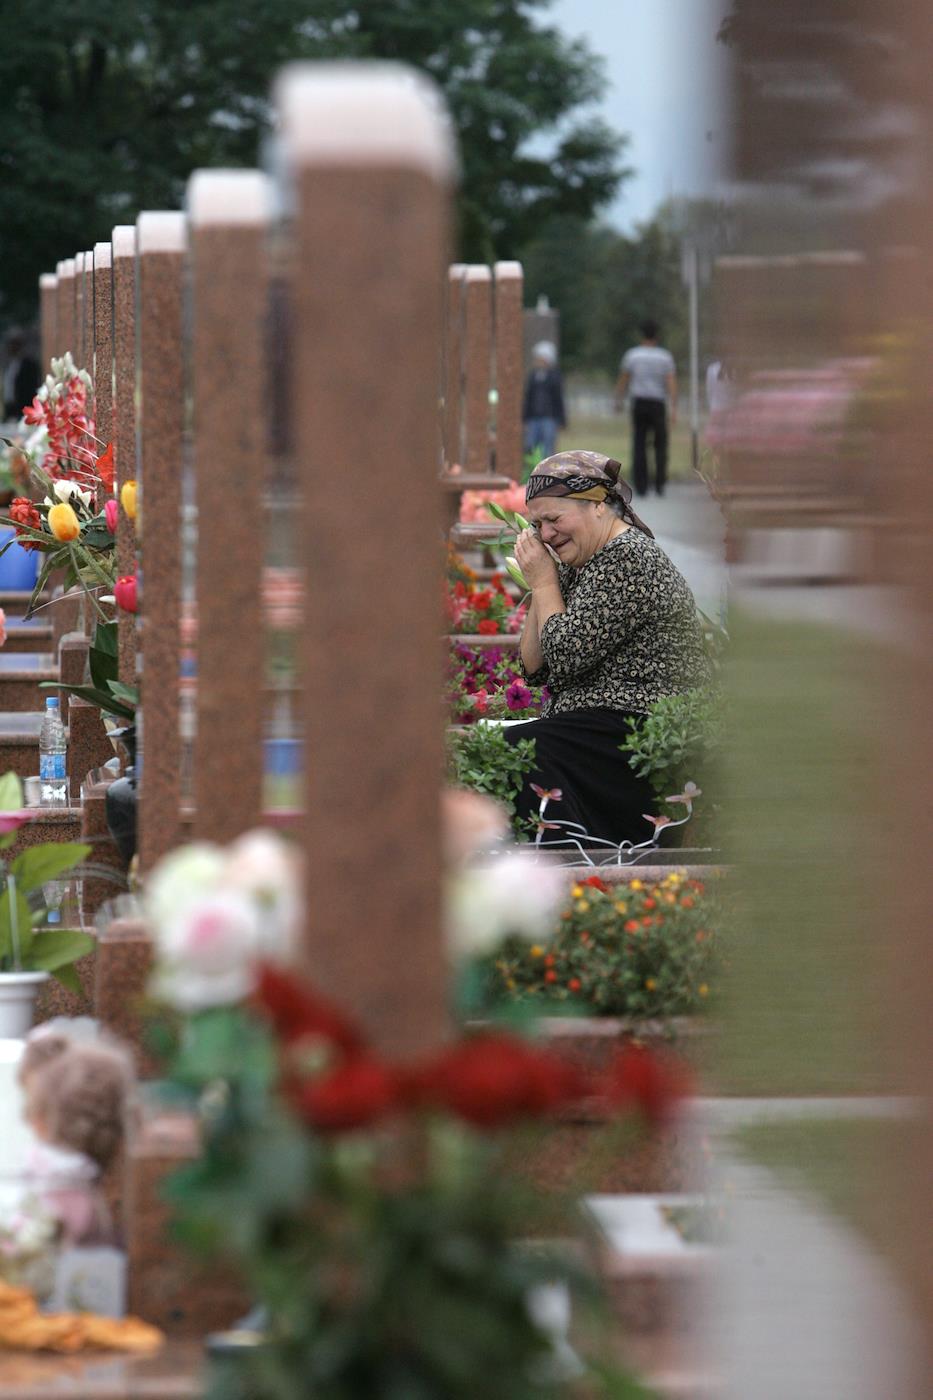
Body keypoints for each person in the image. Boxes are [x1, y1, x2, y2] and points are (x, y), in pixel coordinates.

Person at [504, 450, 711, 847]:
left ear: (598, 506)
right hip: (599, 724)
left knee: (522, 749)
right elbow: (536, 668)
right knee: (513, 747)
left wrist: (546, 583)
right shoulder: (582, 558)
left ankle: (570, 863)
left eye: (554, 519)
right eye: (537, 524)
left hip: (639, 727)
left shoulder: (628, 558)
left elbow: (563, 655)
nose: (545, 535)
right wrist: (540, 583)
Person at [615, 320, 677, 496]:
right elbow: (671, 382)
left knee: (639, 443)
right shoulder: (664, 357)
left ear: (641, 335)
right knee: (660, 445)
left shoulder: (633, 355)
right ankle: (659, 483)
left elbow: (624, 379)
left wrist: (618, 400)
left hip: (639, 402)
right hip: (658, 403)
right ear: (656, 336)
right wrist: (673, 406)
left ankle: (641, 485)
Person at [522, 341, 566, 460]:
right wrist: (525, 418)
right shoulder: (533, 376)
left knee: (548, 447)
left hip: (549, 417)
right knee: (530, 446)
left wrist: (561, 420)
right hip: (533, 418)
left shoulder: (555, 376)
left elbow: (558, 399)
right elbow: (528, 397)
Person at [3, 329, 40, 421]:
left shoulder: (29, 364)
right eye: (10, 344)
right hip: (9, 407)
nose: (11, 347)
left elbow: (31, 387)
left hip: (22, 408)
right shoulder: (9, 363)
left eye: (14, 344)